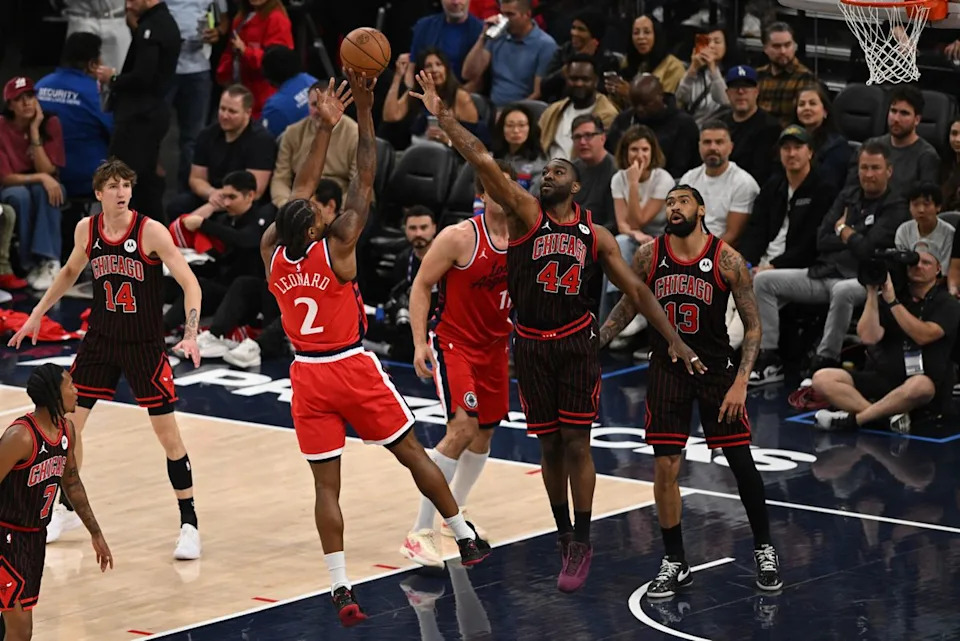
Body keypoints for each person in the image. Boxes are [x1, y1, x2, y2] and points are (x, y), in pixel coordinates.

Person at [409, 69, 703, 593]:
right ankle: (563, 533)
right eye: (545, 170)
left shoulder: (596, 233)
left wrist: (674, 339)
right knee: (548, 448)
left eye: (558, 170)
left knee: (577, 445)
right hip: (531, 346)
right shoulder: (524, 214)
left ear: (577, 185)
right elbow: (481, 157)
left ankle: (582, 539)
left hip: (575, 344)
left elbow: (636, 291)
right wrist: (443, 114)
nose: (548, 175)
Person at [260, 71, 489, 628]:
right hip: (349, 367)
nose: (318, 207)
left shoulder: (272, 251)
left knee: (325, 486)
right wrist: (361, 112)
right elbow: (365, 175)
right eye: (315, 210)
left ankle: (340, 585)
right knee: (412, 453)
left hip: (306, 377)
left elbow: (298, 194)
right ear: (315, 225)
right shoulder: (337, 249)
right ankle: (463, 533)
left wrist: (319, 131)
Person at [7, 159, 203, 560]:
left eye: (125, 185)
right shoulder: (88, 229)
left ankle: (189, 523)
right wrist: (36, 315)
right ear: (98, 193)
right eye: (112, 186)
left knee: (168, 437)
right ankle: (66, 508)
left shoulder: (150, 231)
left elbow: (189, 281)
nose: (120, 192)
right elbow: (67, 273)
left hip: (143, 344)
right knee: (68, 429)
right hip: (101, 340)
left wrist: (190, 333)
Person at [599, 184, 783, 597]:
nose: (674, 207)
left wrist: (740, 383)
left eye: (682, 200)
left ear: (701, 209)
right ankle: (675, 560)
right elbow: (630, 303)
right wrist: (599, 338)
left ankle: (765, 547)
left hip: (718, 370)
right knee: (665, 466)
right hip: (667, 368)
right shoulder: (649, 255)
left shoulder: (728, 259)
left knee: (740, 462)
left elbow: (753, 327)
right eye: (669, 202)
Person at [400, 161, 517, 568]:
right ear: (483, 194)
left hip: (496, 348)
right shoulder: (459, 237)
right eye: (494, 187)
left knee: (484, 436)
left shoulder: (524, 236)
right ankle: (420, 531)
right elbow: (421, 284)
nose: (504, 193)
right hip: (456, 343)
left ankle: (456, 514)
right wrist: (419, 342)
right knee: (462, 428)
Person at [0, 364, 113, 640]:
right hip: (6, 538)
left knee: (12, 625)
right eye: (70, 386)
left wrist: (95, 532)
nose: (76, 390)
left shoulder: (67, 431)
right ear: (54, 394)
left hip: (33, 540)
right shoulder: (21, 437)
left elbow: (72, 483)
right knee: (21, 631)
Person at [812, 242, 960, 433]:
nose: (918, 266)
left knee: (920, 385)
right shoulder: (893, 296)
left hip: (923, 384)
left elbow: (923, 335)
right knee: (822, 378)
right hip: (883, 377)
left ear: (938, 269)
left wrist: (893, 303)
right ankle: (885, 418)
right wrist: (873, 294)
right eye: (914, 262)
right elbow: (868, 337)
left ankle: (856, 419)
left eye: (926, 263)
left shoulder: (947, 303)